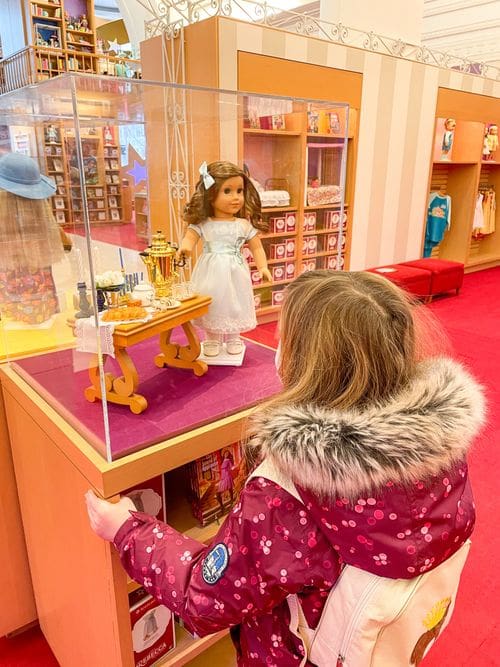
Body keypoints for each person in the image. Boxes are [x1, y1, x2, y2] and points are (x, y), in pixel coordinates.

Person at [86, 270, 485, 666]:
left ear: (306, 362)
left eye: (284, 341)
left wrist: (128, 530)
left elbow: (204, 599)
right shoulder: (442, 451)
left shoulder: (289, 493)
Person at [176, 160, 271, 357]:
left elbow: (257, 247)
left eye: (239, 191)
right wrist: (185, 248)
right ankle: (211, 337)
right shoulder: (204, 223)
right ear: (210, 195)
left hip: (235, 271)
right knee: (213, 302)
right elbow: (190, 237)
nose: (236, 197)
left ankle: (234, 336)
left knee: (235, 302)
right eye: (227, 191)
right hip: (210, 273)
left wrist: (263, 267)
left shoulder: (243, 225)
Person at [0, 152, 70, 325]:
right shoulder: (39, 210)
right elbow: (65, 244)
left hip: (16, 286)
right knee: (42, 329)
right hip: (38, 282)